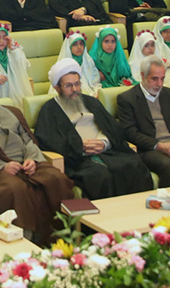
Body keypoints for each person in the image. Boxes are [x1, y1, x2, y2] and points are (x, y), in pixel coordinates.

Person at [0, 70, 75, 244]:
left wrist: (31, 159)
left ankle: (61, 236)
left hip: (27, 165)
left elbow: (28, 140)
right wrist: (3, 166)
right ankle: (24, 240)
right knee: (14, 189)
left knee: (56, 178)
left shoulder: (13, 112)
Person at [32, 59, 153, 199]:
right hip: (79, 160)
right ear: (57, 88)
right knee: (99, 176)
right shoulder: (49, 110)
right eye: (68, 85)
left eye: (77, 84)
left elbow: (114, 129)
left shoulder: (92, 102)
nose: (74, 89)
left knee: (134, 165)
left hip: (107, 152)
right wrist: (80, 146)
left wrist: (104, 142)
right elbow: (48, 142)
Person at [116, 56, 170, 186]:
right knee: (169, 167)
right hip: (149, 149)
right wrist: (158, 145)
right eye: (154, 79)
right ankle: (168, 199)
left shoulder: (169, 94)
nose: (159, 84)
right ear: (143, 76)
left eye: (162, 78)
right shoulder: (127, 99)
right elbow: (130, 132)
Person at [57, 30, 102, 96]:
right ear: (69, 47)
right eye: (75, 44)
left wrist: (97, 92)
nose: (79, 47)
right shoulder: (64, 65)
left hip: (91, 94)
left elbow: (95, 82)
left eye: (81, 44)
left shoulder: (88, 61)